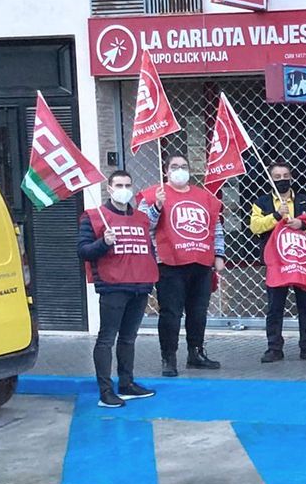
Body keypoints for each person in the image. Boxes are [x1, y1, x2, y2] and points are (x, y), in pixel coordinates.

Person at [137, 154, 224, 378]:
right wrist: (157, 206)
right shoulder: (153, 194)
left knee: (198, 312)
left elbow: (215, 226)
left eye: (184, 166)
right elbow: (144, 226)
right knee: (171, 313)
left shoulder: (203, 197)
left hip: (201, 263)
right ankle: (169, 357)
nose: (180, 170)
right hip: (170, 264)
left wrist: (219, 254)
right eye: (174, 167)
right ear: (166, 171)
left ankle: (196, 353)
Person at [77, 170, 157, 409]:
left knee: (129, 338)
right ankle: (105, 391)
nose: (124, 189)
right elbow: (83, 250)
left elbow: (148, 249)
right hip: (113, 286)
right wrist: (104, 242)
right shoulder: (93, 217)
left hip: (140, 286)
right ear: (109, 189)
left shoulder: (142, 218)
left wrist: (150, 280)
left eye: (128, 184)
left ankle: (126, 383)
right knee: (106, 339)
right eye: (119, 185)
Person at [249, 161, 306, 364]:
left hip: (301, 261)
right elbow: (255, 226)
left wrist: (302, 224)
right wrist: (275, 216)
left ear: (292, 177)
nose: (282, 180)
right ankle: (274, 348)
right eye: (277, 177)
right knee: (274, 307)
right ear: (271, 180)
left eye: (285, 176)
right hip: (277, 262)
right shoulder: (261, 202)